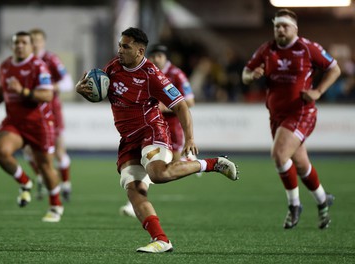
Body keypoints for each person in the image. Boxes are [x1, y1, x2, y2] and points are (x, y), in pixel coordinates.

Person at [76, 27, 239, 253]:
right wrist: (83, 91)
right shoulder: (112, 68)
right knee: (134, 190)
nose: (120, 50)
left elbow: (181, 105)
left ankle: (213, 163)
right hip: (128, 139)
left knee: (158, 173)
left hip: (151, 131)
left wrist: (190, 138)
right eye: (120, 45)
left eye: (126, 47)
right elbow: (102, 94)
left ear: (140, 51)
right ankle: (161, 240)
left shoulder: (152, 75)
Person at [242, 9, 341, 229]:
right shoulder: (267, 49)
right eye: (277, 26)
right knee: (301, 164)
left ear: (295, 28)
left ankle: (294, 205)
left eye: (285, 26)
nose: (280, 29)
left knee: (279, 155)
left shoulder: (307, 47)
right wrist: (252, 75)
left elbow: (335, 69)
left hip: (301, 112)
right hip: (276, 115)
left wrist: (318, 92)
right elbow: (245, 73)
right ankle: (323, 200)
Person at [0, 31, 64, 223]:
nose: (19, 46)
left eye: (24, 42)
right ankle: (25, 182)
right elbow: (3, 86)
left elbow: (47, 95)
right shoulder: (5, 65)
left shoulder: (39, 66)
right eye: (16, 43)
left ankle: (55, 205)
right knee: (1, 152)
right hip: (14, 122)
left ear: (31, 46)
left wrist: (21, 91)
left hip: (39, 123)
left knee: (45, 166)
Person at [119, 43, 199, 218]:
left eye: (159, 56)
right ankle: (133, 202)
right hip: (148, 126)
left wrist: (165, 107)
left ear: (166, 58)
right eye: (153, 56)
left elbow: (190, 101)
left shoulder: (176, 74)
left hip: (171, 127)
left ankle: (197, 164)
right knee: (147, 165)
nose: (155, 59)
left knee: (167, 168)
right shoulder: (146, 71)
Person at [23, 28, 74, 201]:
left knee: (59, 149)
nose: (35, 43)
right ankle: (42, 178)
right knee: (29, 150)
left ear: (43, 42)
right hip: (30, 112)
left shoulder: (50, 59)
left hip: (52, 111)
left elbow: (68, 82)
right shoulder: (24, 62)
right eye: (32, 40)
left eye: (38, 40)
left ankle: (66, 184)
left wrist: (50, 88)